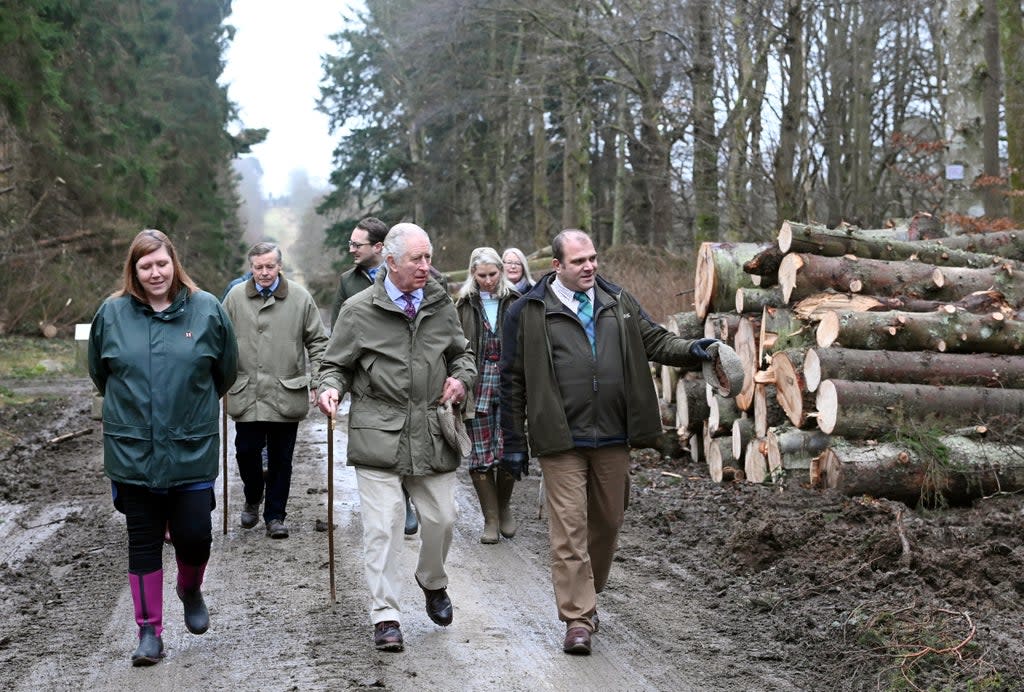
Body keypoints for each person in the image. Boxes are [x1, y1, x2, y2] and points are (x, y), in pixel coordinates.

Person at [499, 229, 719, 656]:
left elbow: (655, 340)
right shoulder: (527, 311)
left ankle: (588, 593)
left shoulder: (616, 300)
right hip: (560, 438)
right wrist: (514, 440)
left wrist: (696, 349)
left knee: (608, 522)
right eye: (579, 261)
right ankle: (577, 618)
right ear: (556, 266)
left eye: (593, 258)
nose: (590, 266)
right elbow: (511, 379)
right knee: (569, 530)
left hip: (614, 434)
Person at [316, 222, 476, 653]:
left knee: (443, 518)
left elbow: (463, 355)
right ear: (390, 261)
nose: (426, 267)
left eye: (429, 257)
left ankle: (432, 580)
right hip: (378, 433)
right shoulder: (357, 309)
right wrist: (329, 387)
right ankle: (385, 615)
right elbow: (336, 365)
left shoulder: (442, 304)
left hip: (431, 431)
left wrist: (461, 380)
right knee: (382, 528)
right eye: (417, 259)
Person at [88, 229, 238, 666]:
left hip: (190, 447)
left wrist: (188, 408)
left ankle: (190, 587)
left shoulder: (208, 309)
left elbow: (224, 372)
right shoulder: (112, 314)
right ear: (133, 271)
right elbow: (101, 373)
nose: (155, 273)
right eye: (145, 266)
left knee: (195, 535)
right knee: (143, 541)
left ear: (174, 262)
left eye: (161, 263)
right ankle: (148, 631)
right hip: (133, 451)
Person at [223, 242, 328, 539]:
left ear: (279, 266)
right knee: (246, 452)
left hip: (286, 392)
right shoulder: (234, 298)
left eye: (270, 266)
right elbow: (218, 341)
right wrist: (214, 377)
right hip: (247, 393)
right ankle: (253, 496)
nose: (265, 272)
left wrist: (319, 380)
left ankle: (275, 517)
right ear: (251, 268)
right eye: (259, 267)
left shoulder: (300, 297)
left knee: (282, 460)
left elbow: (318, 343)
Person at [329, 216, 420, 536]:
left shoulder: (418, 275)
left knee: (408, 437)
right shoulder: (347, 282)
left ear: (380, 247)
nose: (351, 249)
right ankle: (391, 502)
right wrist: (334, 380)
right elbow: (338, 332)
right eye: (350, 243)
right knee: (379, 441)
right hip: (369, 380)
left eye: (357, 244)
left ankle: (408, 497)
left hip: (409, 375)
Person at [454, 247, 520, 544]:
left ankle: (504, 507)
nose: (488, 280)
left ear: (501, 271)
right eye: (482, 276)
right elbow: (454, 346)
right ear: (473, 274)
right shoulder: (463, 305)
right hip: (477, 385)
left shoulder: (516, 301)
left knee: (508, 452)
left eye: (493, 274)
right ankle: (490, 518)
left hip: (509, 386)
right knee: (481, 455)